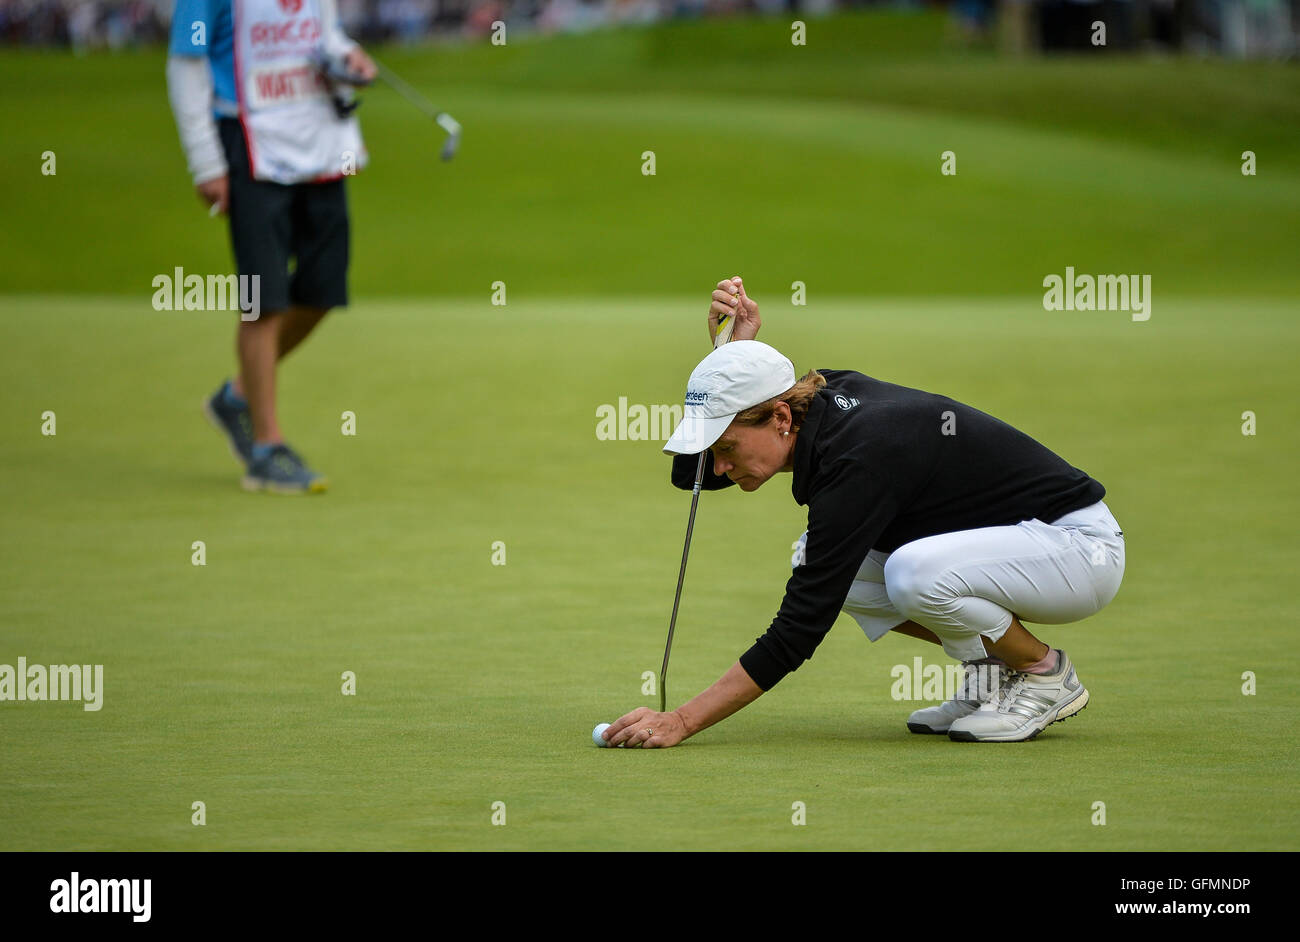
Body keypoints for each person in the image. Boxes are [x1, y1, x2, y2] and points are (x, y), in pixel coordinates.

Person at [603, 277, 1125, 747]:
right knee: (830, 562)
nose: (717, 468)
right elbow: (690, 474)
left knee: (909, 574)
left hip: (1077, 550)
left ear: (781, 417)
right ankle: (994, 673)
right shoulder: (817, 403)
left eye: (727, 449)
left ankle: (1041, 670)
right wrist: (732, 360)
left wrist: (684, 720)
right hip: (1020, 547)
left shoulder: (859, 460)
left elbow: (801, 627)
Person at [166, 0, 376, 492]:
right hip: (248, 143)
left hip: (319, 142)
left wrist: (350, 57)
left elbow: (325, 36)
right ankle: (267, 447)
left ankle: (237, 396)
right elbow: (187, 64)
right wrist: (206, 163)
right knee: (264, 300)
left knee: (324, 291)